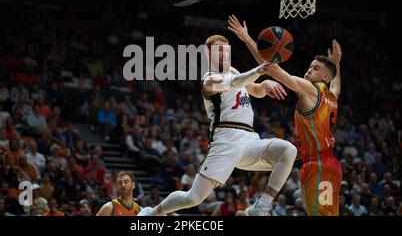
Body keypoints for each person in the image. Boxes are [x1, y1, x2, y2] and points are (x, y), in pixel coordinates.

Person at [139, 34, 297, 216]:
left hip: (249, 139)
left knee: (288, 150)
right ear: (208, 54)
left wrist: (265, 85)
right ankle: (153, 213)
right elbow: (237, 83)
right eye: (219, 50)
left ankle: (260, 206)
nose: (223, 53)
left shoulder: (235, 71)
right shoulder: (209, 80)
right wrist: (259, 71)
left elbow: (254, 90)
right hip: (225, 142)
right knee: (193, 198)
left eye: (226, 49)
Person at [228, 15, 343, 216]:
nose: (309, 69)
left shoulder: (311, 90)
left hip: (318, 165)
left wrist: (247, 39)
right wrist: (337, 65)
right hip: (330, 164)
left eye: (316, 69)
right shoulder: (331, 95)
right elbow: (337, 84)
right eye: (310, 65)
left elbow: (272, 69)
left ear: (324, 76)